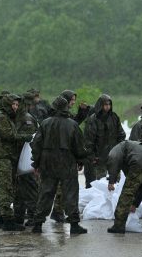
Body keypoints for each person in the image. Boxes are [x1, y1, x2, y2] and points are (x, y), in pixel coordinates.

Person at [31, 96, 88, 234]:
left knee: (45, 192)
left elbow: (36, 145)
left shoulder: (45, 123)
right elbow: (79, 146)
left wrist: (36, 163)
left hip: (47, 162)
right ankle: (74, 225)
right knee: (70, 192)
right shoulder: (72, 124)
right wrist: (80, 161)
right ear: (66, 108)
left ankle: (37, 224)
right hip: (67, 162)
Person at [0, 93, 33, 231]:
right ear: (7, 104)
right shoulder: (0, 117)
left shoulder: (6, 117)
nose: (15, 107)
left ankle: (1, 219)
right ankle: (8, 220)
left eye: (17, 105)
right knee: (5, 188)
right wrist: (26, 137)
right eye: (13, 104)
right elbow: (9, 135)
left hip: (6, 157)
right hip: (2, 157)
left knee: (8, 186)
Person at [50, 89, 93, 222]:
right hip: (58, 153)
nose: (73, 103)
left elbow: (73, 124)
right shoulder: (54, 114)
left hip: (66, 153)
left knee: (63, 186)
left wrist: (82, 112)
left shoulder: (66, 114)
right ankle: (57, 211)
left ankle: (59, 210)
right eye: (71, 100)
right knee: (61, 185)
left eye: (74, 100)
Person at [106, 140, 142, 234]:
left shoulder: (114, 150)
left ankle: (119, 226)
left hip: (139, 161)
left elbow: (113, 161)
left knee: (127, 194)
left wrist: (111, 181)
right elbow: (140, 185)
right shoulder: (129, 148)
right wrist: (135, 204)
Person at [84, 94, 126, 182]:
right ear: (101, 105)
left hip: (114, 156)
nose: (108, 106)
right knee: (100, 182)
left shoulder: (114, 117)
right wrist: (92, 156)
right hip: (99, 157)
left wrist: (119, 150)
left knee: (115, 182)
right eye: (105, 104)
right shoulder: (93, 119)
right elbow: (89, 140)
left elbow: (121, 134)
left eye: (109, 104)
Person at [13, 92, 39, 226]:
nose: (15, 107)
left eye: (18, 104)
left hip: (26, 160)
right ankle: (18, 216)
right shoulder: (16, 118)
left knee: (30, 188)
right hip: (18, 159)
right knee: (18, 190)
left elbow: (30, 137)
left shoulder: (27, 119)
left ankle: (34, 216)